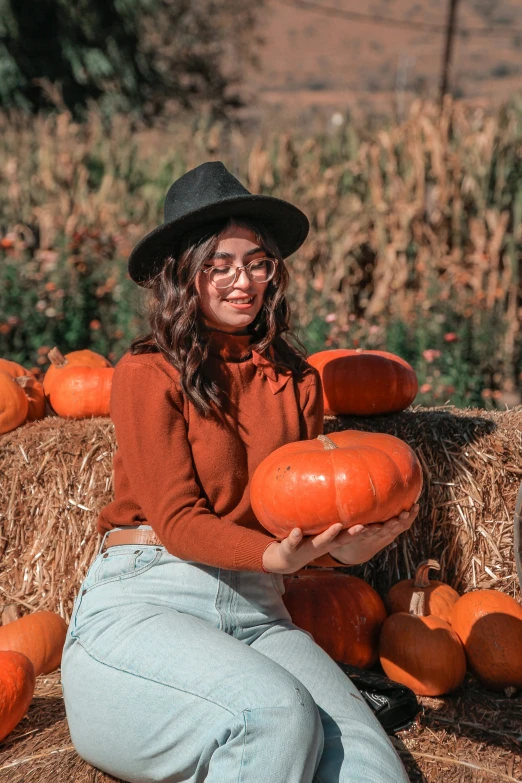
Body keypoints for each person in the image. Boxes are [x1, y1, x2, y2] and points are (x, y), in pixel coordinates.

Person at [61, 161, 418, 783]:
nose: (242, 281)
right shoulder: (148, 373)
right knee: (272, 713)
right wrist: (281, 558)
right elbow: (176, 520)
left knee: (369, 762)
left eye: (257, 263)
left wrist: (343, 549)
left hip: (257, 611)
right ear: (183, 273)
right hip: (150, 599)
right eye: (218, 265)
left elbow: (292, 518)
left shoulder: (299, 381)